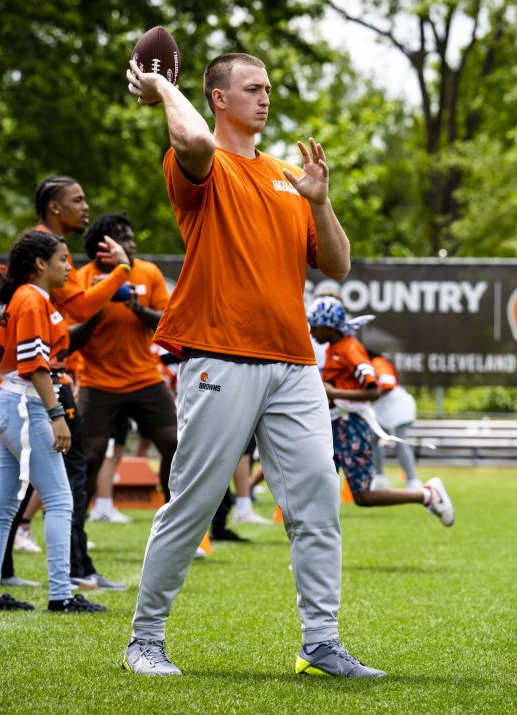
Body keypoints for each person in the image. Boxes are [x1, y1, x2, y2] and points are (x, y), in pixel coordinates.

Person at [121, 51, 383, 678]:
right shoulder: (201, 164)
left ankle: (321, 644)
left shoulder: (290, 176)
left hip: (293, 363)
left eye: (269, 88)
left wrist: (320, 201)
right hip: (221, 355)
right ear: (217, 97)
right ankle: (145, 640)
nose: (265, 98)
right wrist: (160, 87)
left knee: (318, 501)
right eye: (252, 88)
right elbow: (190, 137)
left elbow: (339, 266)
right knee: (193, 500)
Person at [0, 229, 110, 612]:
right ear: (40, 264)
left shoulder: (30, 298)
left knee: (3, 505)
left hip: (10, 402)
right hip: (25, 404)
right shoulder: (32, 300)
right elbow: (35, 366)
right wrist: (56, 416)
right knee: (61, 500)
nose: (69, 267)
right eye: (63, 260)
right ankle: (61, 595)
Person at [34, 177, 133, 592]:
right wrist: (122, 269)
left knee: (27, 484)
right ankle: (74, 571)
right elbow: (81, 305)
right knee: (70, 475)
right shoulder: (44, 246)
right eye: (78, 199)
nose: (85, 206)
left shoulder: (46, 244)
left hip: (44, 378)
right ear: (55, 207)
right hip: (45, 381)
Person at [72, 212, 177, 549]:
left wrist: (136, 307)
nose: (132, 244)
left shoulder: (148, 272)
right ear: (104, 247)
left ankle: (171, 530)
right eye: (123, 238)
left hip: (145, 377)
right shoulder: (82, 278)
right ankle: (76, 532)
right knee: (89, 456)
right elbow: (71, 337)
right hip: (97, 381)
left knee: (175, 447)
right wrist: (101, 302)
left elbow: (166, 321)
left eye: (132, 238)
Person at [309, 297, 454, 524]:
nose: (311, 331)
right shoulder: (334, 348)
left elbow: (374, 390)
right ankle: (314, 555)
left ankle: (427, 495)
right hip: (336, 424)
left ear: (328, 327)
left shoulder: (349, 349)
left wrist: (334, 394)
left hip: (351, 425)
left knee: (364, 495)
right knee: (320, 485)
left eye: (315, 325)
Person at [365, 348, 421, 490]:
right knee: (373, 439)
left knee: (400, 443)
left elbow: (387, 384)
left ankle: (413, 481)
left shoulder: (378, 362)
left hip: (399, 408)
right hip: (385, 410)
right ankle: (379, 478)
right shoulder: (373, 364)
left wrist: (366, 396)